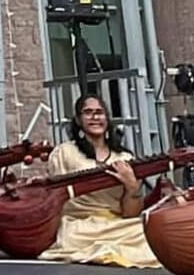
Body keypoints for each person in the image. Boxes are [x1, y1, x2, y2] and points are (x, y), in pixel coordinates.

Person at [38, 95, 159, 268]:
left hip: (117, 225)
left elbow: (130, 214)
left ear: (107, 119)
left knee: (148, 232)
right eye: (88, 113)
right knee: (77, 237)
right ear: (79, 121)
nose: (95, 117)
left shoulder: (124, 158)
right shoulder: (64, 152)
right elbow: (54, 198)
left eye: (99, 113)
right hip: (79, 225)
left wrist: (132, 188)